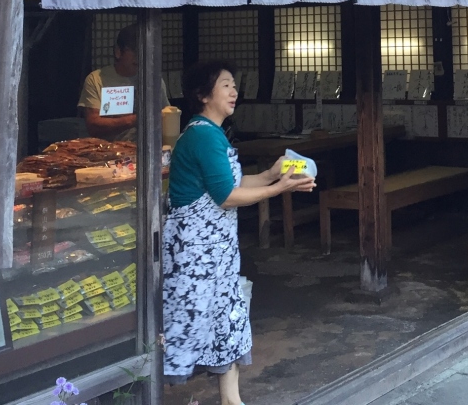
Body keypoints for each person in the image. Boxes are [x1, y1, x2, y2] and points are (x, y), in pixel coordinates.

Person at [162, 60, 315, 402]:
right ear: (203, 95)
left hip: (216, 254)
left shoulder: (211, 132)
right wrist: (279, 188)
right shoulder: (202, 136)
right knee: (187, 326)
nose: (234, 92)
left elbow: (233, 182)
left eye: (234, 85)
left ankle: (232, 400)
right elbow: (227, 196)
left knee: (226, 322)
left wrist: (273, 174)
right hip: (196, 256)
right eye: (226, 85)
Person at [77, 25, 169, 141]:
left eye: (145, 52)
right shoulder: (97, 79)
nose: (140, 57)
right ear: (118, 52)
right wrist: (135, 120)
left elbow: (167, 116)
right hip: (108, 149)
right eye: (135, 51)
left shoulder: (153, 80)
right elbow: (93, 125)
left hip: (148, 148)